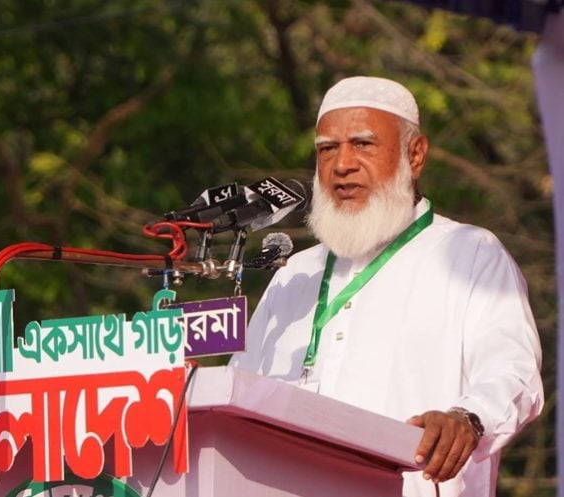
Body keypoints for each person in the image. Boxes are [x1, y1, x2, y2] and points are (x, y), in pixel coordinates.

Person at [229, 76, 544, 497]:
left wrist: (467, 419)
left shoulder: (470, 254)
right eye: (327, 149)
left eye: (363, 144)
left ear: (415, 155)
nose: (342, 164)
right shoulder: (294, 274)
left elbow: (513, 372)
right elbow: (242, 391)